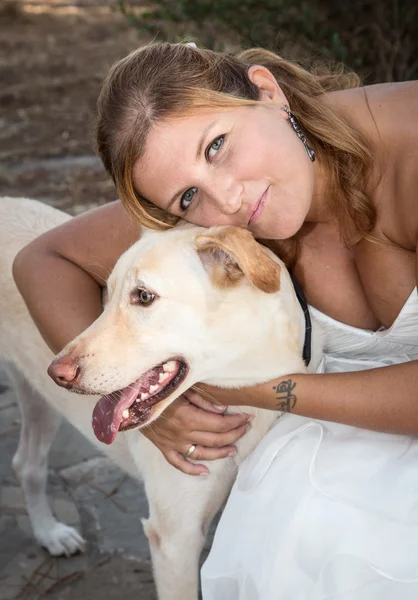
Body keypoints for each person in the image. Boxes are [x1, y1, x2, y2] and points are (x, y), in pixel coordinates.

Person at [13, 42, 418, 598]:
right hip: (334, 450)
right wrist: (146, 407)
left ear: (269, 93)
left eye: (219, 146)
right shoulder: (213, 225)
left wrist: (262, 390)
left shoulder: (409, 147)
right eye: (186, 198)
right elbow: (41, 259)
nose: (227, 198)